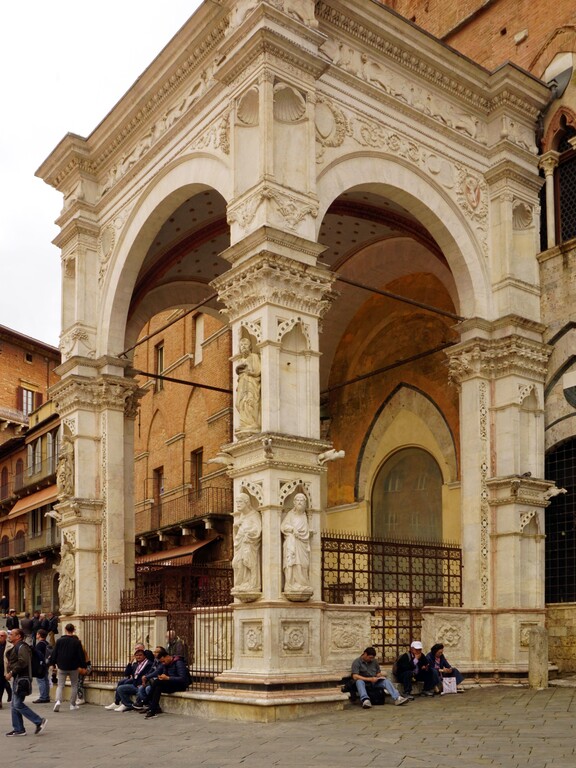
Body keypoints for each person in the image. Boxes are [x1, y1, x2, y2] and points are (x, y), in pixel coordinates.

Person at [4, 628, 47, 736]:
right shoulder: (17, 646)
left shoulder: (23, 647)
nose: (9, 636)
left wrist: (12, 672)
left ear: (18, 636)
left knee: (17, 704)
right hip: (18, 678)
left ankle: (38, 721)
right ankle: (18, 729)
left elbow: (23, 662)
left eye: (12, 634)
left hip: (22, 679)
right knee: (14, 705)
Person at [142, 646, 189, 719]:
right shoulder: (165, 664)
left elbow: (182, 679)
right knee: (158, 686)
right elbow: (159, 672)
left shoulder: (179, 663)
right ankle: (153, 711)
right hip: (170, 683)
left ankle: (146, 700)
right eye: (161, 662)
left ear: (167, 657)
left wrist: (168, 678)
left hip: (180, 685)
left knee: (157, 682)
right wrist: (162, 677)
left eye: (163, 661)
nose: (163, 663)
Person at [48, 622, 86, 712]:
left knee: (60, 685)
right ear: (73, 630)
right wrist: (83, 666)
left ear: (65, 629)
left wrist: (52, 663)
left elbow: (55, 653)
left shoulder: (59, 641)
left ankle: (58, 701)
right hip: (73, 666)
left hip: (62, 666)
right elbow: (81, 655)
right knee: (74, 685)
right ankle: (72, 704)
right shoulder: (77, 642)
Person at [103, 647, 153, 712]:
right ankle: (129, 705)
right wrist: (130, 663)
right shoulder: (135, 664)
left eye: (140, 655)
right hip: (135, 685)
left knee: (140, 692)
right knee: (120, 688)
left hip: (142, 685)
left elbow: (148, 675)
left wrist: (142, 683)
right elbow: (126, 673)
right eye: (137, 655)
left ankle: (145, 705)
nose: (138, 657)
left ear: (144, 656)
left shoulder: (148, 664)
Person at [281, 493, 312, 593]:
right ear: (294, 502)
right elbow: (283, 526)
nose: (299, 502)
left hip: (303, 544)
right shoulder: (290, 514)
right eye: (297, 500)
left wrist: (309, 532)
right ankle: (290, 585)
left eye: (302, 500)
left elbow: (306, 530)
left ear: (305, 503)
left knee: (304, 564)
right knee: (292, 563)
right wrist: (292, 529)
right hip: (292, 543)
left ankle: (302, 584)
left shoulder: (305, 516)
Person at [231, 492, 262, 592]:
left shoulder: (254, 515)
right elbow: (236, 536)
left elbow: (258, 530)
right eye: (237, 502)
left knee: (248, 562)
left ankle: (253, 584)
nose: (238, 504)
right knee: (236, 563)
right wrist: (235, 527)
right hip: (241, 545)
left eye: (240, 502)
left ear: (247, 502)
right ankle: (241, 584)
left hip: (249, 545)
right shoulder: (241, 516)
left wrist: (249, 534)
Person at [235, 337, 261, 435]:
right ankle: (244, 424)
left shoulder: (254, 356)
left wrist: (249, 371)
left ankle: (252, 423)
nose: (243, 347)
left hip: (251, 382)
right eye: (241, 345)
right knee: (239, 403)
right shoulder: (240, 360)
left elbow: (258, 370)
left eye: (245, 345)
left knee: (249, 401)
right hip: (242, 383)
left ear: (250, 347)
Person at [32, 629, 52, 704]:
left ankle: (43, 697)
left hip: (40, 664)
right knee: (45, 680)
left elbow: (38, 655)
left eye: (37, 634)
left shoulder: (40, 644)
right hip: (46, 664)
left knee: (41, 680)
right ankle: (46, 696)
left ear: (39, 635)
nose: (36, 635)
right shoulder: (46, 643)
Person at [0, 629, 12, 707]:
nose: (0, 637)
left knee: (1, 685)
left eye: (2, 636)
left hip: (4, 668)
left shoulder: (10, 646)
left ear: (6, 637)